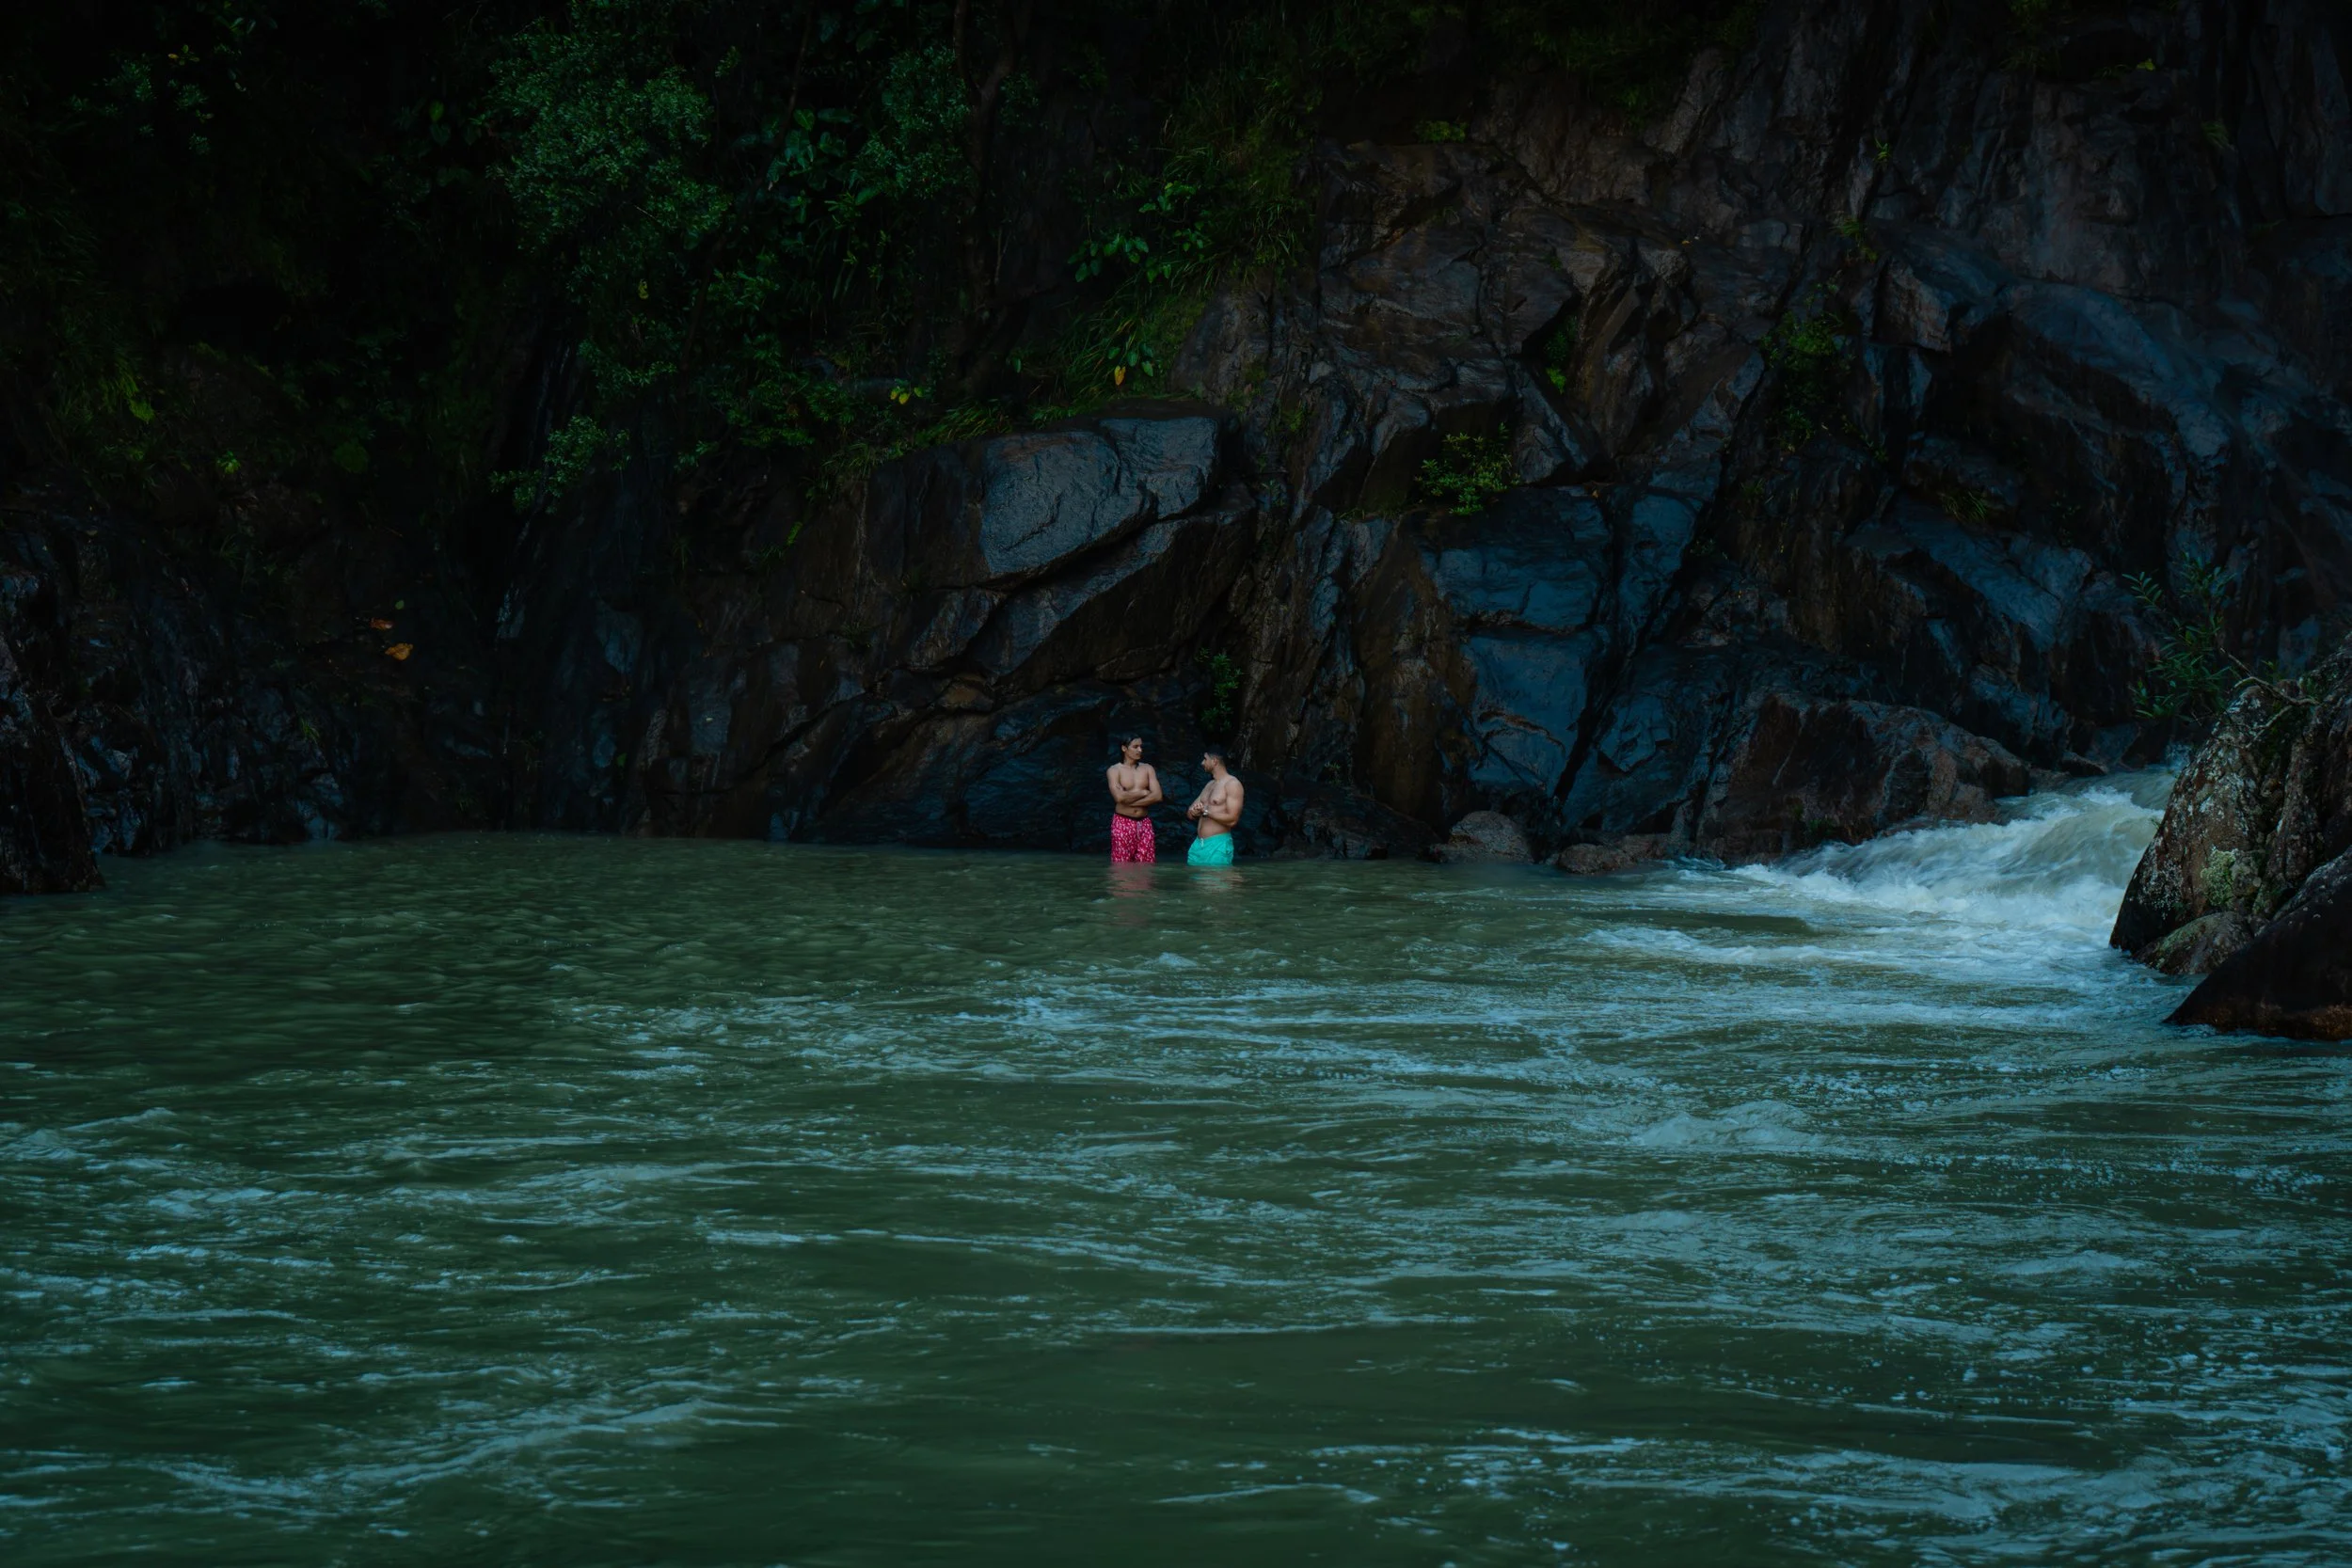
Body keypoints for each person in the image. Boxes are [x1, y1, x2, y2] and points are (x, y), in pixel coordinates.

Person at [1105, 735, 1162, 863]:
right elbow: (1119, 797)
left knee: (1146, 865)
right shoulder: (1114, 770)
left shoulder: (1148, 768)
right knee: (1122, 865)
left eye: (1141, 746)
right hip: (1122, 822)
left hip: (1145, 822)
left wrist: (1128, 799)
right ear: (1124, 748)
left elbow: (1158, 796)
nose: (1140, 750)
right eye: (1135, 747)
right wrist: (1143, 792)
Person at [1184, 748, 1244, 865]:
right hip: (1198, 845)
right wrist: (1194, 812)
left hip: (1218, 845)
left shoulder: (1232, 784)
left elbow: (1233, 820)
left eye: (1205, 759)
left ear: (1214, 761)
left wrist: (1206, 812)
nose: (1202, 763)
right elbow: (1189, 812)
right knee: (1195, 883)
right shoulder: (1209, 785)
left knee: (1215, 883)